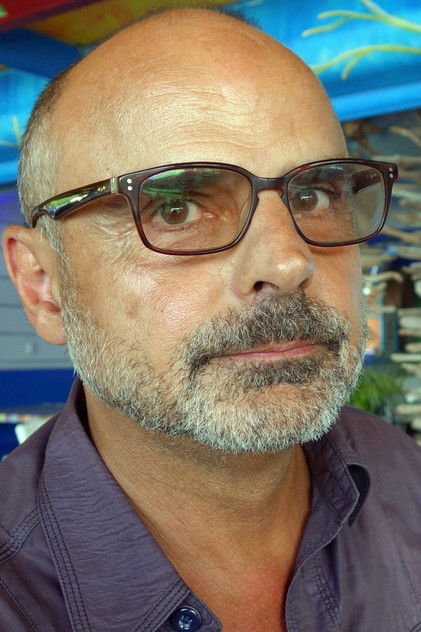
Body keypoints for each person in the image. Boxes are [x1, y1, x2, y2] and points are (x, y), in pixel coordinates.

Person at [1, 7, 420, 632]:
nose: (288, 262)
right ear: (44, 286)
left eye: (316, 194)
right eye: (175, 207)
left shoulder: (403, 476)